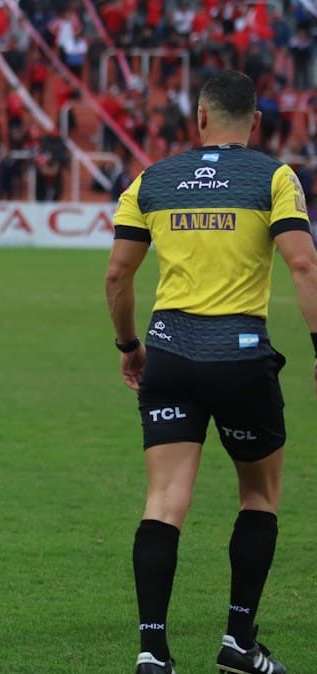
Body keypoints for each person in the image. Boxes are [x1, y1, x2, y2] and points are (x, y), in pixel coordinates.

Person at [104, 70, 317, 674]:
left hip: (169, 354)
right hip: (242, 356)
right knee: (260, 495)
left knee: (165, 499)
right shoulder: (274, 176)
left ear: (198, 119)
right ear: (256, 122)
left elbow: (118, 275)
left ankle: (152, 652)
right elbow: (303, 266)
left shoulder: (152, 180)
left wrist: (128, 344)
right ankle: (237, 645)